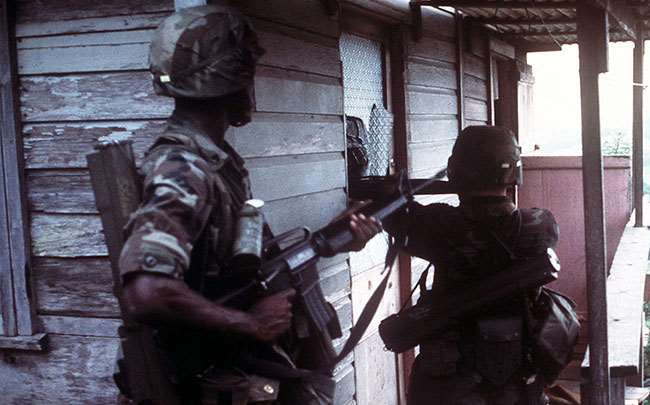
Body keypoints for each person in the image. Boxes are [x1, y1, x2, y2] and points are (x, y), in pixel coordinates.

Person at [118, 5, 381, 404]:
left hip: (238, 372)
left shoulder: (217, 162)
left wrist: (334, 238)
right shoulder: (185, 168)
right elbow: (147, 290)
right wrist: (249, 322)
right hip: (210, 379)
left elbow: (237, 267)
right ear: (232, 79)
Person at [385, 126, 560, 405]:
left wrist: (391, 192)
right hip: (515, 373)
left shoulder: (439, 224)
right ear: (513, 172)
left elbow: (398, 218)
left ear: (455, 170)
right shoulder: (540, 224)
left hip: (450, 378)